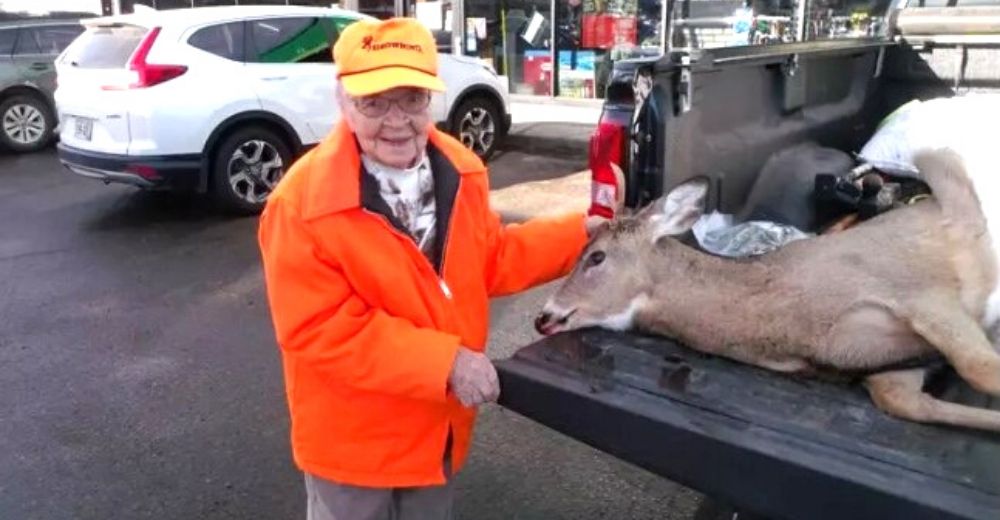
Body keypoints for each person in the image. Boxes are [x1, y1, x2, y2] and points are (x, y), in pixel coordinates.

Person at [257, 17, 604, 520]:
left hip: (435, 432)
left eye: (413, 98)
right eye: (373, 103)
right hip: (354, 448)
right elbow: (317, 327)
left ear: (432, 100)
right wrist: (445, 364)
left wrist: (579, 235)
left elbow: (491, 258)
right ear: (343, 103)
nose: (396, 120)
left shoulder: (463, 171)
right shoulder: (300, 204)